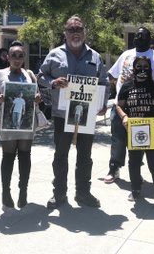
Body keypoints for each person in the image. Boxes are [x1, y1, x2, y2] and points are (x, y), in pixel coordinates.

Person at [38, 15, 110, 209]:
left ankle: (83, 193)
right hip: (62, 114)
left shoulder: (95, 56)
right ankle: (59, 195)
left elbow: (103, 82)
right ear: (65, 33)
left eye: (79, 29)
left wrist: (102, 102)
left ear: (85, 32)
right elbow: (41, 76)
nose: (75, 33)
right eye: (71, 30)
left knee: (85, 157)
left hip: (86, 115)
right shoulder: (54, 54)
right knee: (60, 156)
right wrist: (52, 82)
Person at [104, 26, 154, 183]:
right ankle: (114, 168)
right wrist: (118, 87)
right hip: (121, 106)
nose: (138, 38)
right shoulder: (126, 54)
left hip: (144, 108)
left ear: (149, 39)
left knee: (140, 143)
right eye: (136, 35)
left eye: (142, 36)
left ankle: (136, 175)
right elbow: (113, 74)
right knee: (118, 139)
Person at [0, 41, 41, 211]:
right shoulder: (0, 75)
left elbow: (36, 94)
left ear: (24, 58)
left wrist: (37, 98)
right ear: (7, 57)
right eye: (14, 56)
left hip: (27, 122)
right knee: (8, 157)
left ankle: (23, 192)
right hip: (7, 122)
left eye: (20, 56)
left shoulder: (30, 75)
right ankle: (6, 192)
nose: (17, 59)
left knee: (25, 156)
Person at [115, 56, 154, 214]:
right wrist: (124, 116)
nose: (142, 69)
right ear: (134, 68)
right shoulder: (126, 87)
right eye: (139, 66)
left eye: (146, 66)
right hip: (135, 130)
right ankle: (135, 189)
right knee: (134, 162)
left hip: (153, 130)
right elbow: (119, 106)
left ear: (150, 69)